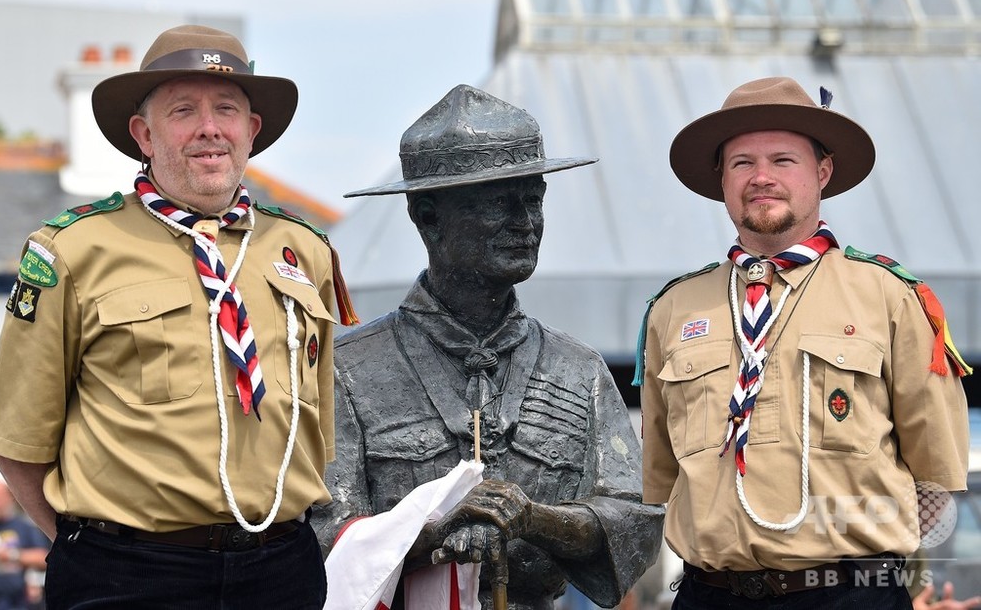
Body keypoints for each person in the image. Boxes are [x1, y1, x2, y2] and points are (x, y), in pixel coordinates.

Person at [0, 25, 356, 608]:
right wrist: (83, 545)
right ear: (144, 135)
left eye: (227, 110)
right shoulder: (74, 249)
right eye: (184, 110)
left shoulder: (302, 249)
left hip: (282, 569)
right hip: (125, 574)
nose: (210, 128)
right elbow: (15, 438)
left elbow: (318, 433)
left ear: (251, 131)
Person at [310, 84, 662, 610]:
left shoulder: (578, 370)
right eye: (500, 203)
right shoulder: (349, 370)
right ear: (427, 216)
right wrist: (430, 536)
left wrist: (536, 519)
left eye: (534, 200)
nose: (525, 223)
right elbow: (320, 534)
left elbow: (632, 521)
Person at [636, 76, 972, 608]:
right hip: (711, 595)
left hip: (852, 596)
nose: (761, 178)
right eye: (742, 162)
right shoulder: (672, 311)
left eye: (783, 161)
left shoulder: (890, 297)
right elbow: (659, 481)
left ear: (823, 172)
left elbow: (936, 476)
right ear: (721, 178)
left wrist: (903, 578)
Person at [0, 480, 49, 610]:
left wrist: (12, 555)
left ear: (10, 498)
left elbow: (44, 559)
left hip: (18, 603)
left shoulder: (25, 527)